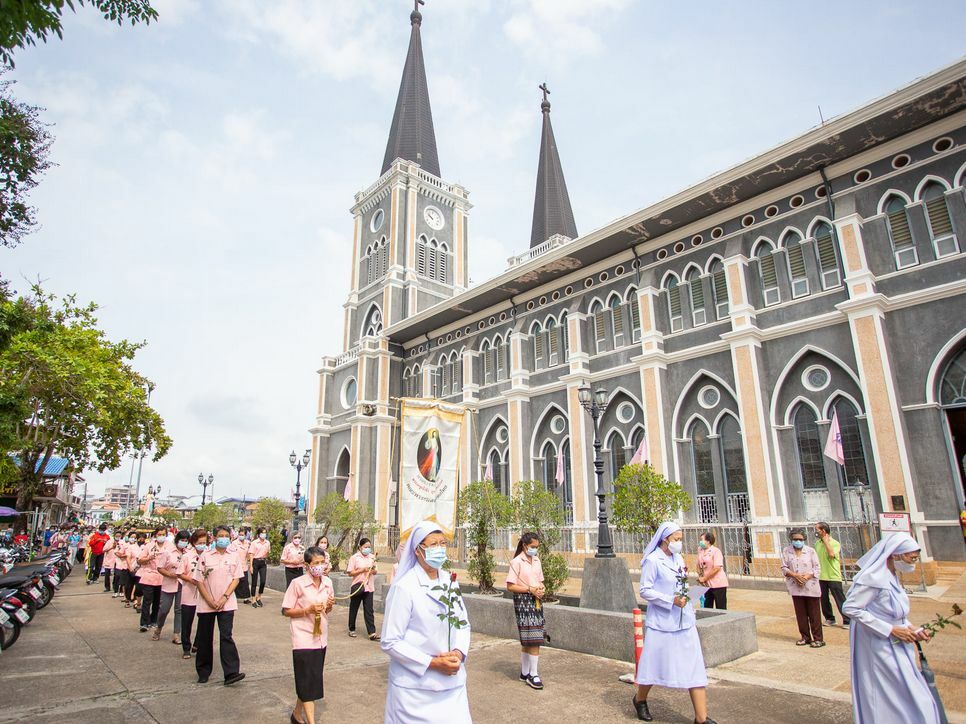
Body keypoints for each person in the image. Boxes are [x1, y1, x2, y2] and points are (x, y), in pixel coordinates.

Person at [381, 521, 471, 724]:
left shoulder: (450, 581)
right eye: (432, 545)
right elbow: (390, 641)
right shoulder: (405, 587)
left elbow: (463, 623)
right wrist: (432, 662)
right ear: (418, 550)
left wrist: (457, 653)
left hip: (452, 684)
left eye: (442, 543)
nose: (439, 549)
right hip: (414, 690)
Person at [842, 532, 938, 724]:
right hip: (880, 648)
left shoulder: (892, 576)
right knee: (895, 693)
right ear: (895, 555)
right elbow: (850, 607)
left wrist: (912, 629)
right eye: (911, 558)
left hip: (898, 644)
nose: (913, 562)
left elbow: (895, 613)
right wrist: (891, 630)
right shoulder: (873, 578)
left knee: (907, 692)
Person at [632, 522, 715, 724]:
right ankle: (640, 699)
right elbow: (645, 590)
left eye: (680, 539)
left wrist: (688, 595)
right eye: (676, 539)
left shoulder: (678, 558)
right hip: (662, 622)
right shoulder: (653, 561)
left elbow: (680, 584)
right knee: (653, 665)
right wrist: (671, 600)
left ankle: (701, 718)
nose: (679, 543)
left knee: (694, 665)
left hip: (684, 620)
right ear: (665, 539)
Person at [282, 545, 335, 724]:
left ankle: (297, 714)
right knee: (307, 679)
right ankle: (311, 721)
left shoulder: (328, 583)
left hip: (321, 637)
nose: (319, 566)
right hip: (303, 637)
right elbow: (286, 610)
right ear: (307, 565)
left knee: (310, 680)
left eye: (322, 562)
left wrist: (329, 605)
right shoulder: (297, 584)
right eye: (316, 563)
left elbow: (329, 609)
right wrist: (307, 610)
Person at [192, 525, 246, 686]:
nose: (224, 538)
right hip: (207, 602)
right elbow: (198, 580)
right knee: (205, 637)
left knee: (226, 636)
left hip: (226, 603)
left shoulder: (234, 556)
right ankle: (203, 671)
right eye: (220, 535)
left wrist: (224, 597)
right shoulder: (206, 556)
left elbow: (236, 579)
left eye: (226, 536)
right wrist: (209, 600)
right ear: (214, 538)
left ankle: (231, 672)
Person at [505, 531, 546, 690]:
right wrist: (530, 589)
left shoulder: (536, 560)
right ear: (524, 546)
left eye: (536, 547)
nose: (534, 550)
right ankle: (533, 674)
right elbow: (510, 586)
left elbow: (540, 581)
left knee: (532, 636)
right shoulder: (517, 562)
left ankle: (524, 672)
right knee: (532, 637)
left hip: (536, 600)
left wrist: (541, 588)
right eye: (532, 547)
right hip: (523, 601)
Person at [781, 528, 823, 648]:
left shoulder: (810, 551)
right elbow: (784, 568)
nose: (798, 541)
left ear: (804, 539)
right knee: (801, 614)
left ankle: (818, 638)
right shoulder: (787, 551)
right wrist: (795, 575)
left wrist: (807, 576)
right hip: (796, 586)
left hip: (810, 586)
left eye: (800, 539)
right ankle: (805, 637)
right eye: (795, 539)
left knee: (814, 614)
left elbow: (817, 568)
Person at [178, 529, 208, 660]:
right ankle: (186, 647)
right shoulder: (187, 556)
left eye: (204, 542)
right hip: (189, 591)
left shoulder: (208, 555)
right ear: (194, 542)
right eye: (200, 542)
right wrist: (191, 580)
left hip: (203, 593)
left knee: (203, 621)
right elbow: (180, 573)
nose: (202, 545)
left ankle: (197, 643)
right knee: (187, 621)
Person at [815, 521, 850, 628]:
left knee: (840, 599)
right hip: (822, 576)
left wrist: (826, 542)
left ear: (823, 531)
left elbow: (831, 555)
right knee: (824, 599)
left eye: (817, 529)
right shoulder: (817, 544)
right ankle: (830, 618)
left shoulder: (834, 543)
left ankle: (847, 620)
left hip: (833, 576)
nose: (815, 532)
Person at [155, 530, 188, 644]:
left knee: (179, 610)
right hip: (169, 583)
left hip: (182, 584)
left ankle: (176, 634)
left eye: (186, 541)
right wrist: (169, 574)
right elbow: (160, 567)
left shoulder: (187, 553)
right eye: (182, 540)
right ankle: (159, 628)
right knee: (164, 609)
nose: (184, 543)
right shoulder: (168, 552)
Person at [346, 537, 379, 641]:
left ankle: (372, 632)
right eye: (365, 547)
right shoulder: (354, 558)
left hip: (369, 587)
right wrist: (362, 570)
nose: (367, 549)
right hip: (358, 586)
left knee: (369, 610)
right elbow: (350, 573)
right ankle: (352, 629)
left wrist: (372, 570)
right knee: (354, 608)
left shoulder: (372, 557)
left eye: (369, 547)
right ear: (360, 547)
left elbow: (375, 571)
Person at [138, 527, 167, 633]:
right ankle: (144, 622)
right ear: (155, 535)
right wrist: (149, 558)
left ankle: (154, 620)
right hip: (149, 576)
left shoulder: (169, 546)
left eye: (163, 534)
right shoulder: (149, 546)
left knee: (158, 601)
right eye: (159, 534)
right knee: (147, 600)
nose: (161, 536)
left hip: (162, 577)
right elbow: (140, 560)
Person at [696, 531, 728, 610]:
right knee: (707, 606)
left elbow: (717, 568)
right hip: (707, 584)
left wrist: (705, 578)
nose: (700, 542)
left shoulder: (716, 551)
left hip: (718, 584)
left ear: (708, 541)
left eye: (702, 540)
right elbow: (698, 564)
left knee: (720, 607)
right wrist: (700, 576)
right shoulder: (700, 550)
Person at [231, 527, 252, 605]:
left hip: (244, 565)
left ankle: (246, 598)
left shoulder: (248, 543)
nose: (241, 536)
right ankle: (234, 597)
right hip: (236, 565)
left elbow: (249, 554)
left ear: (245, 535)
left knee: (245, 582)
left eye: (242, 535)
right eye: (240, 534)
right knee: (236, 582)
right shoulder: (234, 543)